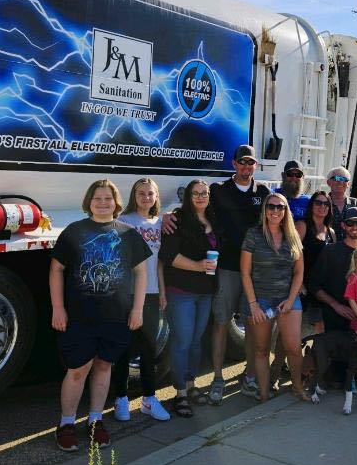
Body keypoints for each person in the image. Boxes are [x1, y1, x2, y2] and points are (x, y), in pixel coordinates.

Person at [163, 145, 271, 404]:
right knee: (221, 323)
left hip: (254, 272)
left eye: (251, 163)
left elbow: (278, 219)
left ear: (255, 166)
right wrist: (165, 216)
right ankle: (218, 379)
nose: (246, 167)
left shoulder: (264, 193)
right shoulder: (218, 191)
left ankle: (250, 377)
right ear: (234, 164)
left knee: (251, 325)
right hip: (226, 269)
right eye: (242, 162)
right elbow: (193, 208)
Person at [50, 180, 151, 452]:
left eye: (108, 198)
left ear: (116, 202)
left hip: (115, 317)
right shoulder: (74, 231)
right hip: (79, 317)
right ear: (89, 201)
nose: (103, 203)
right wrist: (58, 308)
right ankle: (67, 423)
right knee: (77, 369)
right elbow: (56, 269)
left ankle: (95, 420)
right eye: (98, 198)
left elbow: (141, 272)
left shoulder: (128, 234)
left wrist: (137, 309)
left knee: (104, 366)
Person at [111, 178, 171, 423]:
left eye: (150, 193)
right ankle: (121, 399)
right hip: (128, 293)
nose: (146, 197)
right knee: (124, 347)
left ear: (156, 197)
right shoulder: (124, 222)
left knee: (149, 348)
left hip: (153, 293)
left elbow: (159, 263)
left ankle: (149, 398)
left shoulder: (159, 224)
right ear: (133, 196)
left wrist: (163, 292)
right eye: (141, 193)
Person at [159, 180, 218, 418]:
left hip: (206, 291)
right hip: (181, 291)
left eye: (204, 193)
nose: (200, 197)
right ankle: (180, 393)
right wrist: (196, 265)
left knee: (196, 340)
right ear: (188, 196)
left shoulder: (214, 219)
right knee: (182, 341)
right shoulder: (178, 219)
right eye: (196, 193)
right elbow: (168, 255)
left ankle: (192, 385)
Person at [240, 192, 306, 402]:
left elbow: (298, 272)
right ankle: (263, 393)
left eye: (280, 207)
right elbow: (245, 272)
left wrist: (291, 299)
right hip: (261, 300)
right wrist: (253, 305)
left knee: (294, 348)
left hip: (288, 298)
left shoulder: (293, 235)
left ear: (286, 211)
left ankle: (297, 386)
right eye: (271, 206)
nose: (275, 211)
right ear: (265, 210)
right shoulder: (254, 235)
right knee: (261, 350)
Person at [309, 206, 357, 334]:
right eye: (350, 223)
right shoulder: (330, 251)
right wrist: (335, 305)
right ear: (343, 225)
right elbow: (313, 284)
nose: (355, 227)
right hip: (334, 318)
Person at [294, 189, 336, 335]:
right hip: (301, 287)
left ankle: (315, 357)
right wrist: (299, 284)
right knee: (292, 330)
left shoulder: (331, 233)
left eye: (326, 203)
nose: (322, 206)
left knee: (320, 330)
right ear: (311, 205)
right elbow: (291, 256)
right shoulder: (302, 225)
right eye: (318, 202)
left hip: (320, 290)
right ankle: (279, 359)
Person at [325, 166, 357, 237]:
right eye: (336, 178)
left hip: (350, 247)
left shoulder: (356, 204)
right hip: (327, 247)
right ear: (328, 182)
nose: (340, 182)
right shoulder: (321, 203)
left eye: (344, 179)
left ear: (348, 184)